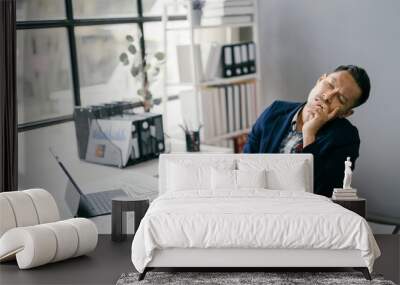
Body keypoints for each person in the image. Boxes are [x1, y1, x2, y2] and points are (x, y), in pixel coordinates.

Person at [243, 65, 371, 197]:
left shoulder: (346, 138)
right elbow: (245, 165)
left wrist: (309, 134)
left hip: (302, 212)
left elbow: (323, 193)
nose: (327, 96)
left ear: (345, 113)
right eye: (330, 85)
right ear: (320, 80)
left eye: (341, 99)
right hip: (259, 201)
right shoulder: (275, 111)